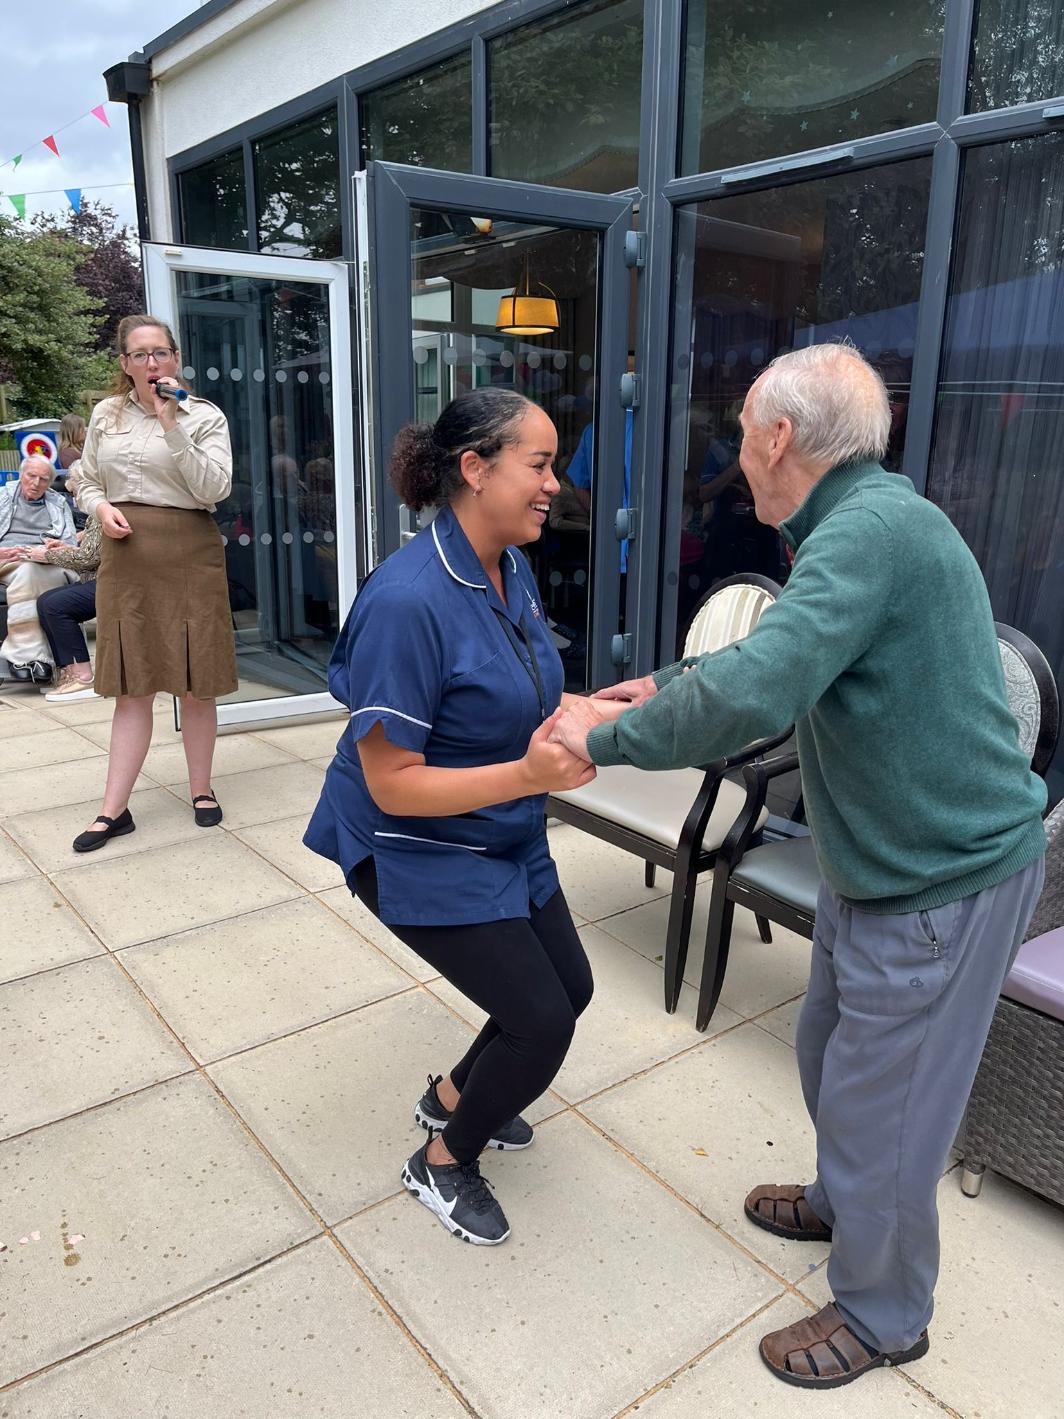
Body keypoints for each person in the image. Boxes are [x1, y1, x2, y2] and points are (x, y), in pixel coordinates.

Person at [550, 343, 1047, 1390]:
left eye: (740, 436)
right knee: (827, 1050)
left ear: (780, 437)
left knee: (889, 1109)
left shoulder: (867, 533)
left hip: (941, 878)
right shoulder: (855, 524)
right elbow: (769, 656)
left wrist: (593, 745)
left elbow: (763, 686)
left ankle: (882, 1312)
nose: (736, 457)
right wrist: (655, 687)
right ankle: (841, 1198)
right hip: (883, 865)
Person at [304, 388, 606, 1246]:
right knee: (541, 1020)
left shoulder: (509, 563)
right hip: (410, 843)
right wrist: (526, 770)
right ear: (474, 468)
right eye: (539, 465)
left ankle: (449, 1096)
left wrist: (604, 708)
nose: (555, 484)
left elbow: (518, 691)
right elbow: (393, 781)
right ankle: (441, 1160)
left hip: (497, 828)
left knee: (568, 990)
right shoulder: (406, 602)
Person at [73, 314, 237, 852]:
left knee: (196, 682)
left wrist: (173, 423)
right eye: (140, 355)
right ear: (124, 364)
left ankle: (201, 790)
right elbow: (86, 477)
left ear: (176, 359)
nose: (152, 363)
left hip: (190, 550)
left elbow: (215, 488)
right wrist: (98, 507)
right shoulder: (106, 415)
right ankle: (112, 810)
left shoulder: (205, 416)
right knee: (132, 687)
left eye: (161, 353)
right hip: (127, 555)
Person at [0, 455, 77, 684]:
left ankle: (26, 658)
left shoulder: (58, 503)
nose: (35, 483)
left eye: (43, 479)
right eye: (31, 476)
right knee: (28, 573)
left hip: (47, 561)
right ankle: (35, 658)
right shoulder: (3, 496)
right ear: (21, 474)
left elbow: (70, 543)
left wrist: (48, 552)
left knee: (34, 573)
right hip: (8, 559)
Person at [31, 467, 102, 702]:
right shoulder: (99, 512)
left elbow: (89, 559)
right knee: (47, 601)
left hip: (112, 584)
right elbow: (92, 554)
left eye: (75, 493)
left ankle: (82, 677)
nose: (74, 499)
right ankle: (70, 672)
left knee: (56, 605)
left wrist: (48, 556)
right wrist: (67, 548)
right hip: (103, 580)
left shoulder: (102, 512)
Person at [57, 413, 89, 531]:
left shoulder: (75, 450)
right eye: (82, 428)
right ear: (74, 431)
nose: (85, 431)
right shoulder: (68, 454)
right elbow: (75, 478)